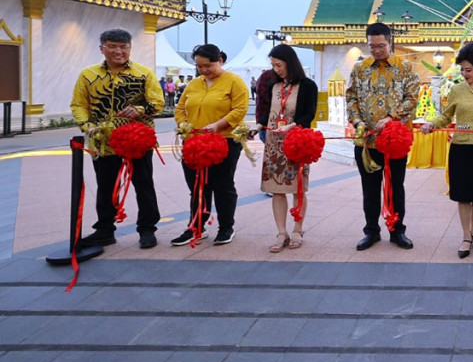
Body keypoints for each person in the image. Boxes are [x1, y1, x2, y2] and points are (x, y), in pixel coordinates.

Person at [71, 29, 165, 249]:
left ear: (130, 49)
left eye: (124, 47)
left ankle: (147, 229)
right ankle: (104, 230)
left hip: (137, 140)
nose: (118, 51)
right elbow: (78, 104)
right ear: (102, 48)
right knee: (105, 187)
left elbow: (158, 102)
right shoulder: (88, 75)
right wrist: (88, 126)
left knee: (143, 184)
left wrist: (140, 109)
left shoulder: (143, 74)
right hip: (103, 142)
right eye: (112, 46)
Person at [420, 43, 473, 258]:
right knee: (463, 196)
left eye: (469, 70)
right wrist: (432, 124)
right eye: (462, 70)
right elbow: (446, 116)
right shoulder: (456, 90)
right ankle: (466, 236)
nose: (465, 74)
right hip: (461, 148)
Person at [346, 23, 419, 251]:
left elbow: (412, 97)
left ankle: (397, 231)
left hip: (394, 141)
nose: (376, 51)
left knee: (396, 186)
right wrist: (357, 122)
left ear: (390, 42)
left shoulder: (405, 67)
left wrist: (391, 117)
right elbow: (351, 98)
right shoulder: (360, 69)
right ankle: (371, 231)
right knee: (369, 188)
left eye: (381, 46)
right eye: (372, 46)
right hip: (367, 142)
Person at [171, 44, 249, 246]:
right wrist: (183, 125)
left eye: (208, 65)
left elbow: (239, 110)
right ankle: (196, 227)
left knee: (223, 186)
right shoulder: (194, 84)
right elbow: (180, 109)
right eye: (199, 66)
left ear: (220, 60)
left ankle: (225, 227)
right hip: (195, 143)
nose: (204, 70)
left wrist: (217, 125)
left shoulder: (234, 81)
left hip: (224, 141)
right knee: (197, 187)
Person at [257, 44, 318, 252]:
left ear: (290, 63)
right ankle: (281, 232)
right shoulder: (273, 85)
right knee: (276, 189)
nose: (276, 69)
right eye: (273, 65)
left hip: (296, 142)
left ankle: (297, 229)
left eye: (279, 65)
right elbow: (267, 112)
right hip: (274, 143)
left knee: (297, 188)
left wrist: (294, 125)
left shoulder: (308, 85)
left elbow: (309, 114)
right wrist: (258, 126)